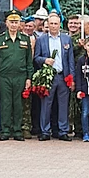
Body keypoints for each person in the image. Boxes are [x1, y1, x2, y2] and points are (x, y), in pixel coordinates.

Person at [0, 11, 32, 141]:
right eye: (11, 22)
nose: (14, 25)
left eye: (16, 22)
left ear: (20, 24)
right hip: (4, 76)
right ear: (6, 23)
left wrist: (29, 77)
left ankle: (17, 130)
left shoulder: (25, 39)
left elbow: (29, 60)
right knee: (5, 103)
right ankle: (5, 130)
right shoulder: (0, 39)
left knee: (18, 104)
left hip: (20, 76)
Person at [34, 13, 73, 141]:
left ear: (60, 24)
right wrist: (45, 60)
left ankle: (63, 131)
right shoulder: (41, 39)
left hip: (62, 76)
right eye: (51, 23)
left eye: (56, 23)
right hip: (48, 77)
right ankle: (45, 131)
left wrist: (71, 77)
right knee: (46, 104)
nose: (53, 26)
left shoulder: (66, 39)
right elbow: (36, 58)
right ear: (47, 24)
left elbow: (70, 60)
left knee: (63, 105)